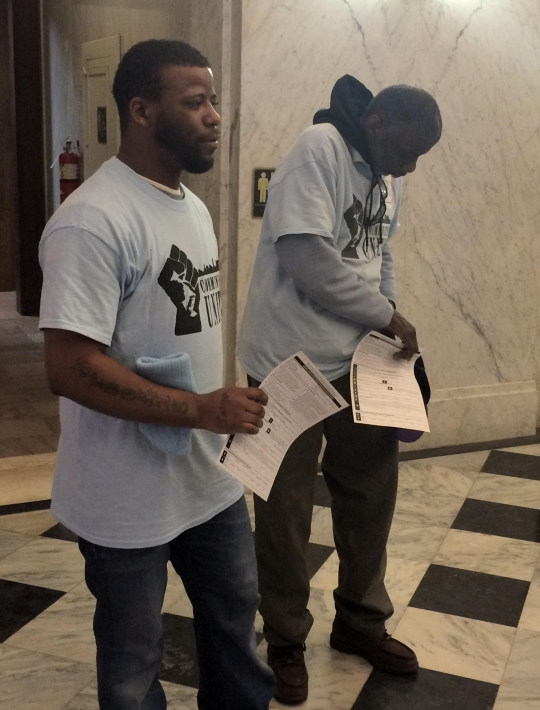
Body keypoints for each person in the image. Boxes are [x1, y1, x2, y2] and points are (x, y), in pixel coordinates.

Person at [39, 39, 276, 710]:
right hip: (122, 494)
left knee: (236, 630)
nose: (214, 117)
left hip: (208, 481)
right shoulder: (91, 221)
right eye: (195, 102)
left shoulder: (192, 208)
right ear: (141, 111)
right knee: (132, 664)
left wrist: (221, 412)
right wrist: (200, 409)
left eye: (214, 102)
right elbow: (70, 367)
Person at [237, 75, 442, 705]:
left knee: (370, 498)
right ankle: (286, 640)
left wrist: (388, 325)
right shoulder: (318, 148)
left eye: (419, 159)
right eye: (406, 151)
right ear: (377, 123)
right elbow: (305, 255)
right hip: (288, 365)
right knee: (284, 511)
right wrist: (387, 318)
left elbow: (378, 253)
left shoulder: (387, 176)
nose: (410, 167)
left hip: (358, 366)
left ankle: (359, 622)